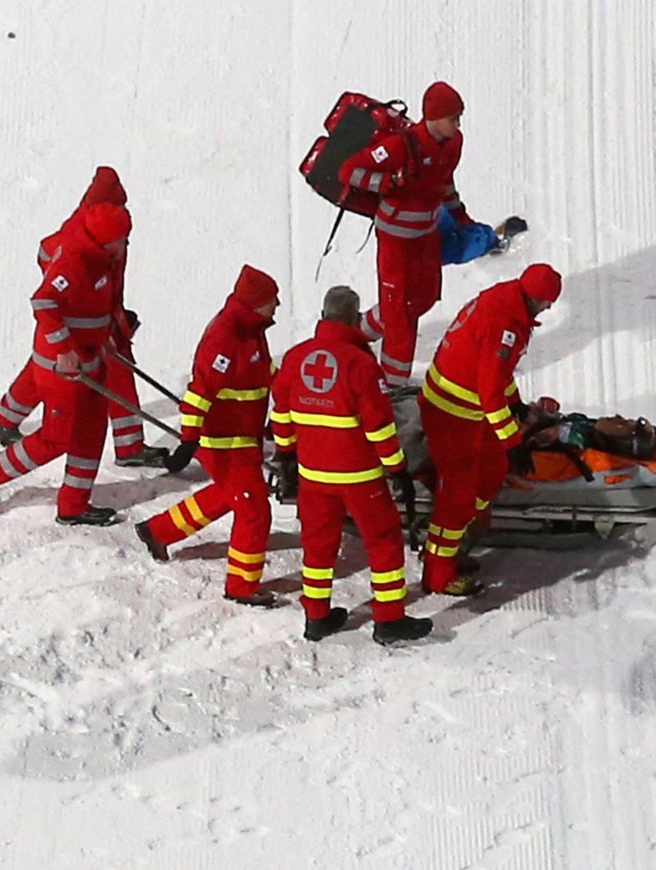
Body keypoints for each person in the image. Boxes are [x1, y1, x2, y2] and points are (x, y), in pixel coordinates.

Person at [270, 286, 435, 645]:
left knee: (317, 546)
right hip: (360, 478)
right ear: (354, 319)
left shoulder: (295, 358)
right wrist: (397, 469)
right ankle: (389, 619)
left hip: (313, 476)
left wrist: (286, 454)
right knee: (384, 542)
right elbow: (379, 426)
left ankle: (316, 617)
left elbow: (280, 413)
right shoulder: (362, 364)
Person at [0, 203, 132, 525]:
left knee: (91, 433)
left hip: (91, 363)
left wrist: (112, 332)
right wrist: (65, 348)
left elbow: (94, 306)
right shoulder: (74, 262)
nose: (125, 246)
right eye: (122, 239)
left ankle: (73, 506)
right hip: (62, 370)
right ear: (106, 240)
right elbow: (43, 302)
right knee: (57, 438)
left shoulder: (102, 261)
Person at [0, 167, 169, 468]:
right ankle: (130, 446)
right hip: (82, 320)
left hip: (97, 317)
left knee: (45, 367)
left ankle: (5, 416)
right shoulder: (87, 234)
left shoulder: (107, 229)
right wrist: (79, 307)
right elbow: (50, 262)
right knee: (110, 372)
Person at [133, 266, 281, 607]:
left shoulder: (252, 329)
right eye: (272, 301)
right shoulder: (226, 338)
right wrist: (188, 439)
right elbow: (201, 391)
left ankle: (158, 531)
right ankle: (242, 586)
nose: (277, 306)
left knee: (230, 495)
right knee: (254, 510)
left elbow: (260, 371)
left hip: (242, 437)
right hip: (224, 443)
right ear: (256, 303)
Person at [417, 264, 563, 595]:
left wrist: (517, 405)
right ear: (536, 298)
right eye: (548, 302)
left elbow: (495, 374)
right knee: (458, 496)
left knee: (491, 471)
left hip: (462, 408)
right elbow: (489, 391)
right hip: (452, 415)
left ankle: (454, 547)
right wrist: (513, 442)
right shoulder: (505, 326)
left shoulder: (504, 301)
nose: (549, 308)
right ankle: (438, 573)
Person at [338, 81, 469, 387]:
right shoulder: (400, 146)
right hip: (395, 240)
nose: (458, 124)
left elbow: (445, 179)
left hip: (426, 235)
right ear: (433, 117)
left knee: (424, 297)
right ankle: (392, 386)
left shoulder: (454, 143)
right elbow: (349, 172)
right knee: (400, 313)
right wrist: (387, 184)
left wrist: (459, 213)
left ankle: (355, 332)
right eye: (453, 117)